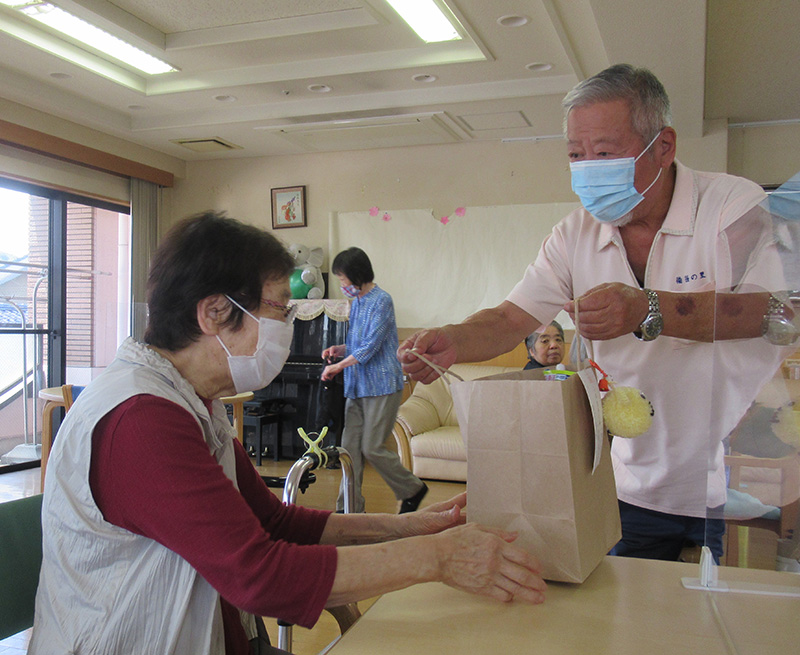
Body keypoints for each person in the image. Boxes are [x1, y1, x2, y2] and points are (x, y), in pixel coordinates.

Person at [30, 213, 546, 655]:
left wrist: (411, 530)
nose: (289, 326)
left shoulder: (190, 403)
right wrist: (439, 558)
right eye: (280, 309)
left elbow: (272, 521)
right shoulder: (142, 419)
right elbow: (260, 576)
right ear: (214, 312)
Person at [398, 64, 787, 564]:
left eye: (604, 154)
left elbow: (775, 311)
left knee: (721, 629)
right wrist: (454, 338)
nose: (588, 170)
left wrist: (647, 308)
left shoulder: (731, 206)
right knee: (626, 623)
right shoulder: (573, 234)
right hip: (632, 481)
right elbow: (510, 318)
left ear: (663, 147)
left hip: (731, 482)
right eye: (576, 156)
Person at [321, 247, 429, 514]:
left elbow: (370, 348)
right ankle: (349, 509)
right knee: (349, 450)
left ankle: (412, 489)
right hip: (356, 387)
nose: (342, 285)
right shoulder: (356, 302)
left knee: (372, 447)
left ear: (357, 275)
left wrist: (337, 368)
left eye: (343, 279)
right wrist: (340, 349)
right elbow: (358, 344)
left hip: (381, 386)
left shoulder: (382, 300)